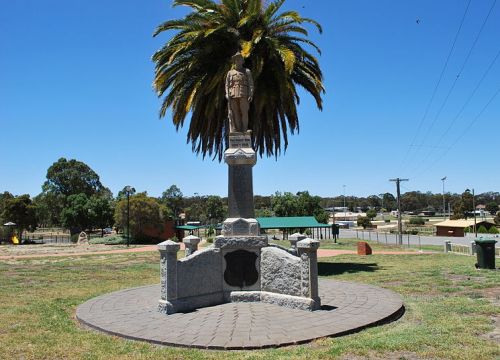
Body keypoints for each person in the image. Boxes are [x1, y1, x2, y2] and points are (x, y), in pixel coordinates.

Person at [225, 52, 254, 133]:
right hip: (233, 95)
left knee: (244, 112)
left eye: (239, 59)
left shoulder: (247, 71)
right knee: (235, 113)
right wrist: (227, 94)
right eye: (236, 59)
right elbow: (227, 85)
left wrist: (251, 94)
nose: (238, 60)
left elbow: (251, 84)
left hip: (243, 94)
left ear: (242, 61)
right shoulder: (230, 73)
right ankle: (237, 130)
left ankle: (244, 130)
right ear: (234, 61)